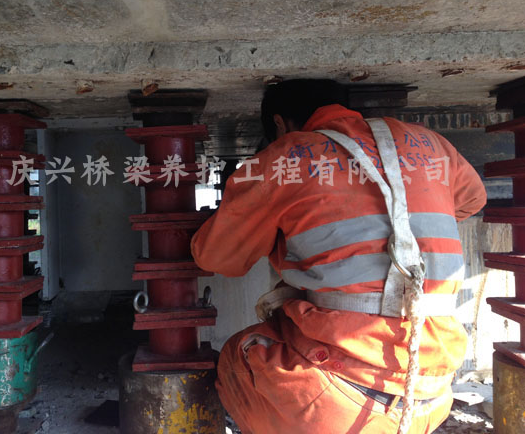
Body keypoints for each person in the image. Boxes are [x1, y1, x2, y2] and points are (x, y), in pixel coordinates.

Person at [190, 79, 486, 434]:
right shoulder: (430, 143)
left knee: (236, 357)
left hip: (338, 409)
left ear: (280, 124)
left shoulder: (285, 157)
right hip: (431, 396)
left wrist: (284, 234)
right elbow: (473, 200)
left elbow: (216, 257)